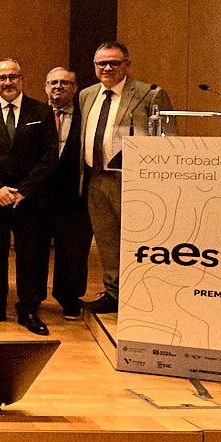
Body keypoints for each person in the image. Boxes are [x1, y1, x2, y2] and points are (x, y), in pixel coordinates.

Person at [0, 60, 56, 335]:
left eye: (12, 77)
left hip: (29, 200)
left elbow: (49, 155)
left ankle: (28, 308)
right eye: (1, 78)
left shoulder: (41, 111)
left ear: (22, 79)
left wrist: (24, 190)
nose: (7, 82)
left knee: (32, 255)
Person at [79, 41, 168, 313]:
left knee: (139, 241)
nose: (107, 68)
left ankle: (143, 295)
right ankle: (113, 292)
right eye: (101, 63)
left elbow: (167, 140)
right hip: (95, 179)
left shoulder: (149, 94)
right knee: (107, 240)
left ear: (127, 64)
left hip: (134, 183)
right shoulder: (87, 95)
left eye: (114, 62)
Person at [43, 67, 90, 320]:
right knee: (36, 250)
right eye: (53, 82)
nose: (58, 87)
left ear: (75, 87)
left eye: (65, 82)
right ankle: (32, 298)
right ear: (45, 87)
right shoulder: (36, 114)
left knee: (72, 252)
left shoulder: (86, 117)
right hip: (40, 196)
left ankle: (70, 298)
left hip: (75, 196)